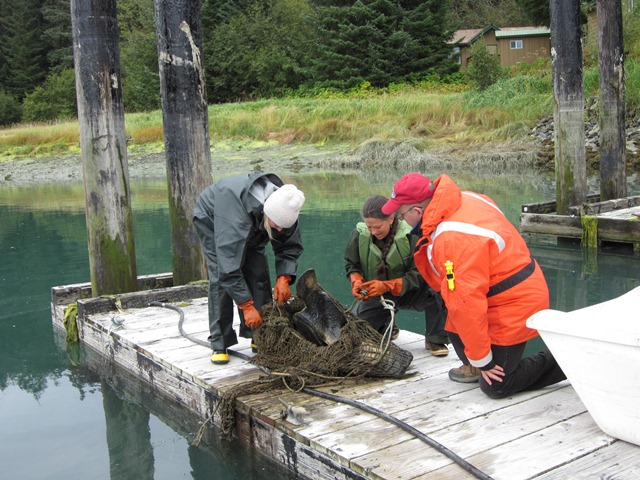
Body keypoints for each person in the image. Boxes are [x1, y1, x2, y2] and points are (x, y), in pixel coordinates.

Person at [381, 172, 566, 398]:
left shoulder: (452, 239)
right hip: (497, 289)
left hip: (515, 301)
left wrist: (484, 361)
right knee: (449, 302)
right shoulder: (463, 198)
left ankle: (568, 361)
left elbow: (466, 304)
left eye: (400, 216)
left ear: (417, 211)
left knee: (497, 385)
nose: (400, 221)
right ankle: (476, 362)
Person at [193, 172, 305, 365]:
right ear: (267, 214)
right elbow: (228, 268)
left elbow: (289, 245)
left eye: (282, 227)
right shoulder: (236, 219)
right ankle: (220, 342)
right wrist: (246, 306)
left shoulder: (285, 208)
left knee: (258, 272)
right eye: (276, 226)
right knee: (221, 277)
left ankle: (257, 333)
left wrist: (284, 278)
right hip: (213, 218)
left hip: (253, 221)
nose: (279, 230)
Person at [344, 195, 449, 356]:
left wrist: (386, 285)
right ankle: (388, 325)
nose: (373, 231)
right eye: (369, 226)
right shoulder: (359, 235)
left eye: (378, 226)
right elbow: (352, 264)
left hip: (412, 291)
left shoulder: (412, 235)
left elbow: (419, 273)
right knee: (359, 330)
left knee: (438, 288)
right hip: (377, 294)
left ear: (391, 219)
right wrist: (356, 280)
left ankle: (436, 338)